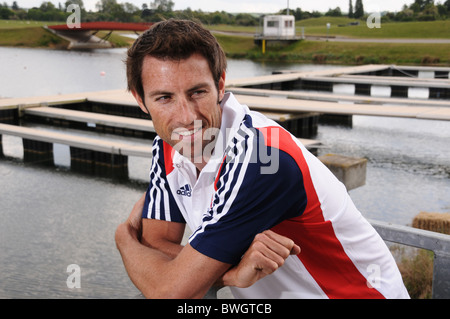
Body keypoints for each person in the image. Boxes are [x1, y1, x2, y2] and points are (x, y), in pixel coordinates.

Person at [115, 19, 409, 299]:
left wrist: (124, 239)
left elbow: (172, 291)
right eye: (164, 98)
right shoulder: (168, 145)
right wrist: (229, 275)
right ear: (140, 99)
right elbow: (155, 245)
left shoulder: (263, 159)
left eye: (197, 92)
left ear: (220, 86)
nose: (186, 117)